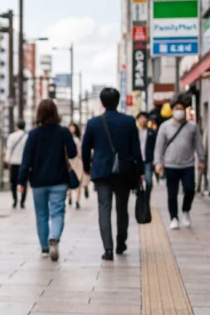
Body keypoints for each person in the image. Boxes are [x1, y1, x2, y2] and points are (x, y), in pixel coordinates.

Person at [82, 87, 144, 261]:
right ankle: (121, 242)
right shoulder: (129, 121)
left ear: (102, 103)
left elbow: (85, 148)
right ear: (118, 101)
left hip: (101, 171)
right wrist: (140, 171)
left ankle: (108, 249)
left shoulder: (93, 123)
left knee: (104, 208)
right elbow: (136, 149)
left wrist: (87, 167)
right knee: (122, 208)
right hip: (123, 171)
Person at [17, 99, 77, 262]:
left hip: (38, 181)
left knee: (41, 214)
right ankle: (54, 237)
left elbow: (26, 159)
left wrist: (21, 181)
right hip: (59, 179)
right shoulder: (63, 132)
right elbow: (72, 153)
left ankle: (44, 247)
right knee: (57, 213)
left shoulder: (33, 134)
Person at [154, 98, 207, 230]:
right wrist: (158, 162)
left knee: (189, 189)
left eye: (181, 109)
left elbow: (198, 144)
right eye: (176, 109)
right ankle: (174, 218)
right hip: (170, 165)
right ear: (172, 111)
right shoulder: (165, 126)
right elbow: (159, 146)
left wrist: (202, 159)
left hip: (188, 164)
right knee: (172, 193)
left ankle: (186, 210)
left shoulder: (192, 126)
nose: (179, 111)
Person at [5, 120, 27, 208]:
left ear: (17, 126)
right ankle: (22, 202)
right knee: (23, 182)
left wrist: (8, 161)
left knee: (13, 182)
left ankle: (15, 200)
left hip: (14, 162)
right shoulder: (27, 136)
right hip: (24, 163)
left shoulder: (12, 136)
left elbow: (9, 149)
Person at [66, 123, 88, 209]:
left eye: (73, 127)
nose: (71, 129)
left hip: (77, 162)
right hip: (68, 162)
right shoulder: (66, 138)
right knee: (69, 180)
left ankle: (77, 200)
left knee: (78, 180)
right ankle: (69, 196)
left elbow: (80, 152)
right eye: (70, 127)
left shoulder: (78, 139)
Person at [137, 113, 157, 193]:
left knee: (149, 181)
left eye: (144, 118)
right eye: (141, 118)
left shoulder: (152, 132)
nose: (143, 120)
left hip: (148, 160)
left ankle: (147, 197)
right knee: (137, 180)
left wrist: (155, 159)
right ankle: (139, 196)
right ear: (138, 120)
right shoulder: (134, 131)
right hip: (137, 160)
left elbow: (155, 146)